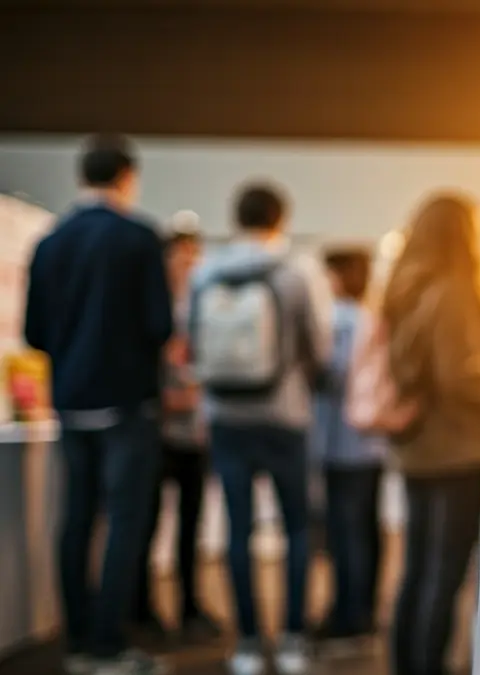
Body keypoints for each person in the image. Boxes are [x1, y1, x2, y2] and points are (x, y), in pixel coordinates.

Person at [24, 133, 173, 675]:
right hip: (126, 402)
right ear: (127, 176)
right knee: (125, 523)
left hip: (70, 400)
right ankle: (109, 644)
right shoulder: (138, 238)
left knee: (76, 518)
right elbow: (159, 324)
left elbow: (35, 332)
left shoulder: (50, 243)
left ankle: (80, 641)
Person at [189, 182, 333, 675]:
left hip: (225, 416)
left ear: (236, 218)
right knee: (297, 529)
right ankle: (293, 640)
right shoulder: (295, 272)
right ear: (281, 219)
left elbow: (192, 342)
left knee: (238, 530)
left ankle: (248, 643)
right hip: (284, 416)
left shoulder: (206, 272)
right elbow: (318, 347)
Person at [382, 193, 480, 675]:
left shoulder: (406, 287)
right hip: (456, 447)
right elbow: (462, 375)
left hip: (416, 446)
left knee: (417, 567)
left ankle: (409, 663)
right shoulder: (454, 291)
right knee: (445, 570)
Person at [131, 216, 222, 643]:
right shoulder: (150, 305)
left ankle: (190, 607)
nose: (187, 262)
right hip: (155, 428)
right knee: (146, 522)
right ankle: (141, 608)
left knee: (191, 523)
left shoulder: (206, 305)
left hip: (194, 432)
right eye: (179, 254)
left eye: (192, 254)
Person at [312, 247, 385, 648]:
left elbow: (329, 373)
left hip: (341, 441)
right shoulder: (374, 318)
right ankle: (365, 611)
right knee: (367, 528)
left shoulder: (337, 322)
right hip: (373, 441)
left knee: (346, 532)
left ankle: (349, 615)